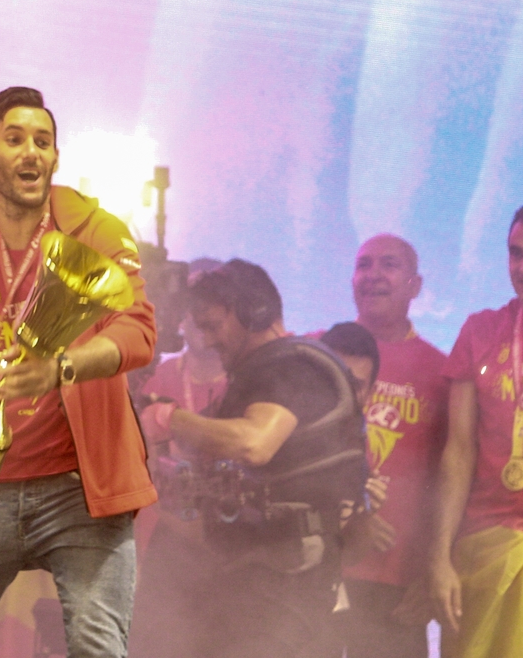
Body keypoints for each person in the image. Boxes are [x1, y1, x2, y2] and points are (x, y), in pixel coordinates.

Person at [0, 86, 157, 658]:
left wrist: (59, 368)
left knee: (98, 649)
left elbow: (136, 331)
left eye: (43, 141)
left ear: (57, 158)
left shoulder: (98, 231)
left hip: (79, 490)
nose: (31, 153)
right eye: (14, 139)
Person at [141, 259, 366, 658]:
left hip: (283, 589)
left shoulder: (294, 367)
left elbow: (253, 443)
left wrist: (167, 418)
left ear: (254, 312)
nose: (207, 341)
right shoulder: (260, 375)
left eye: (213, 326)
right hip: (248, 582)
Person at [429, 201, 523, 658]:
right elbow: (458, 451)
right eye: (515, 253)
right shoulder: (482, 330)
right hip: (480, 551)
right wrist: (439, 557)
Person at [331, 235, 449, 658]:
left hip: (397, 583)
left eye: (389, 264)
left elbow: (452, 479)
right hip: (317, 570)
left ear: (416, 285)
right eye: (364, 265)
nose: (374, 275)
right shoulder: (315, 352)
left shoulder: (442, 370)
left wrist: (434, 569)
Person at [128, 268, 228, 658]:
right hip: (160, 552)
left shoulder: (249, 383)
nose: (201, 320)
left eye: (212, 311)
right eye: (193, 307)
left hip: (228, 552)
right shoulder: (152, 376)